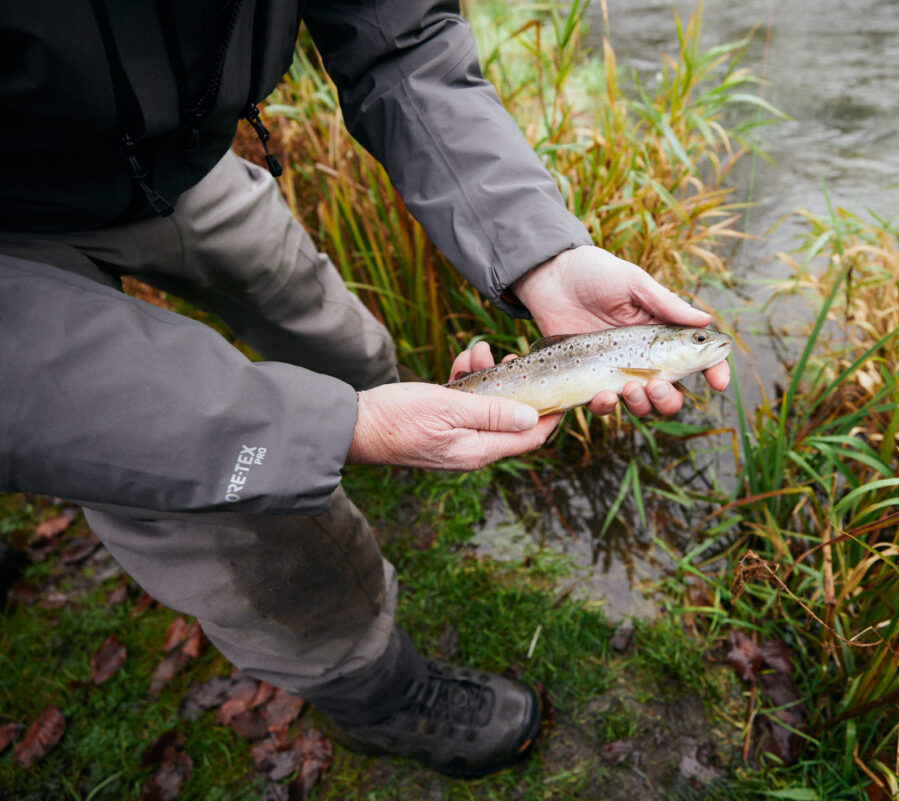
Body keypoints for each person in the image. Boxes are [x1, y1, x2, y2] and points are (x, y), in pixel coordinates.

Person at [0, 0, 729, 780]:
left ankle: (386, 438)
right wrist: (331, 429)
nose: (704, 346)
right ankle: (374, 689)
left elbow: (402, 42)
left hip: (188, 159)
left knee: (329, 326)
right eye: (689, 345)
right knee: (221, 504)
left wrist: (540, 255)